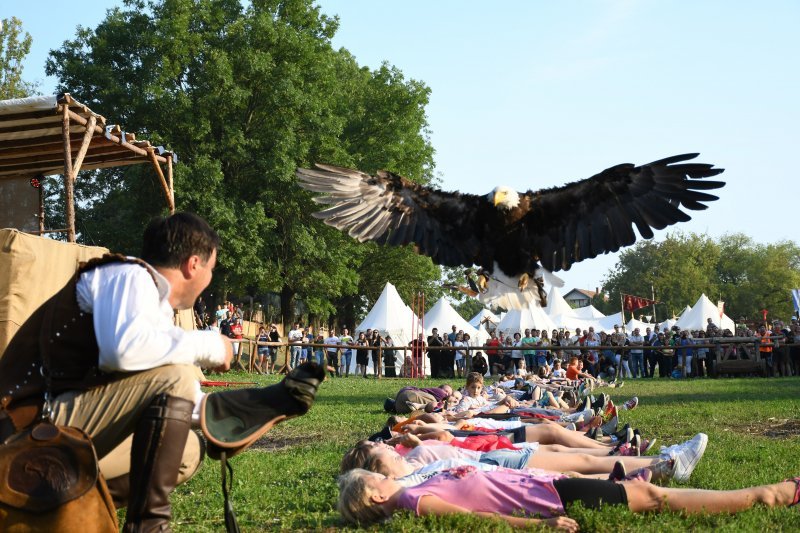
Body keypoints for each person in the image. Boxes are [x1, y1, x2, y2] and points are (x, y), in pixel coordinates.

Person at [0, 212, 235, 530]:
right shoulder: (128, 275)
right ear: (194, 264)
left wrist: (257, 408)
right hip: (20, 429)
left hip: (59, 427)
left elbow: (174, 405)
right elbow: (124, 352)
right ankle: (147, 528)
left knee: (187, 449)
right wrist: (211, 345)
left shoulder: (152, 304)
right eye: (212, 269)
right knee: (178, 375)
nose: (209, 280)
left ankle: (43, 508)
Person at [338, 464, 800, 528]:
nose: (379, 474)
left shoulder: (415, 486)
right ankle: (767, 495)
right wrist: (542, 526)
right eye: (371, 477)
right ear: (376, 497)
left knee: (644, 489)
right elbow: (482, 520)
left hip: (551, 484)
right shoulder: (414, 501)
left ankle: (765, 494)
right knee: (656, 497)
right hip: (556, 503)